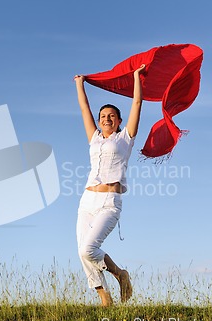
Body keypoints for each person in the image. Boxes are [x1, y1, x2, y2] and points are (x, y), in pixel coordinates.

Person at [73, 64, 146, 307]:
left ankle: (120, 274)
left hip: (109, 203)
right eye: (103, 116)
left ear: (119, 121)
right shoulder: (94, 137)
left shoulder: (125, 139)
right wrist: (79, 84)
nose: (106, 119)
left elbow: (137, 104)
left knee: (88, 249)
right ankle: (104, 297)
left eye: (111, 116)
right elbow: (84, 108)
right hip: (87, 201)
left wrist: (136, 77)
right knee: (83, 253)